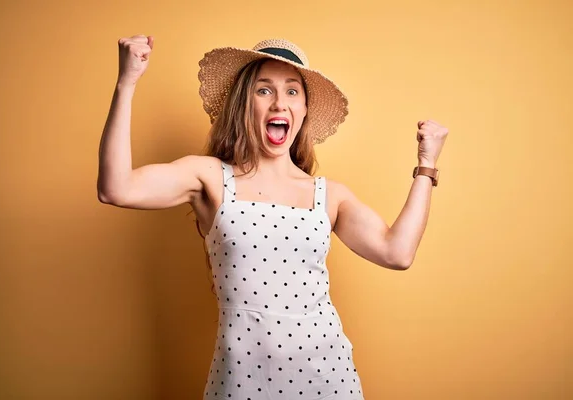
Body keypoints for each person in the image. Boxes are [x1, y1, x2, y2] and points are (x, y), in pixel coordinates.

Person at [97, 35, 448, 399]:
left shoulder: (328, 195)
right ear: (243, 103)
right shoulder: (210, 177)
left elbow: (398, 252)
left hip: (328, 377)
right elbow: (116, 188)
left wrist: (427, 165)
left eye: (292, 92)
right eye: (264, 90)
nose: (280, 102)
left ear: (304, 110)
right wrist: (127, 83)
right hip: (241, 380)